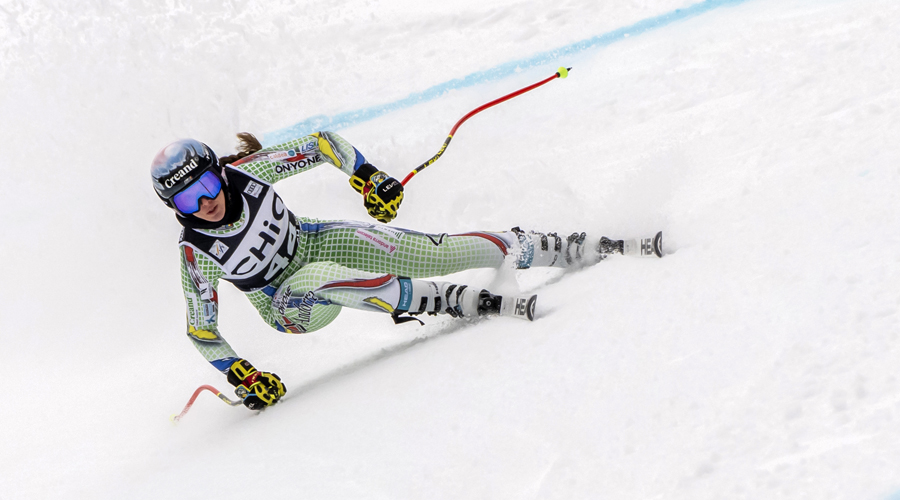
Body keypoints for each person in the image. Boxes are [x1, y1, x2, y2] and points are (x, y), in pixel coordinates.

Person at [151, 131, 656, 410]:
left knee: (429, 251)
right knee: (321, 275)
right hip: (287, 305)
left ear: (220, 171)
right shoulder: (196, 250)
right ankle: (441, 298)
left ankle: (555, 247)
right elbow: (202, 330)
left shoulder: (249, 172)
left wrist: (368, 177)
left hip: (313, 239)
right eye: (187, 200)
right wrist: (241, 374)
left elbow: (323, 143)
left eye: (207, 187)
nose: (206, 204)